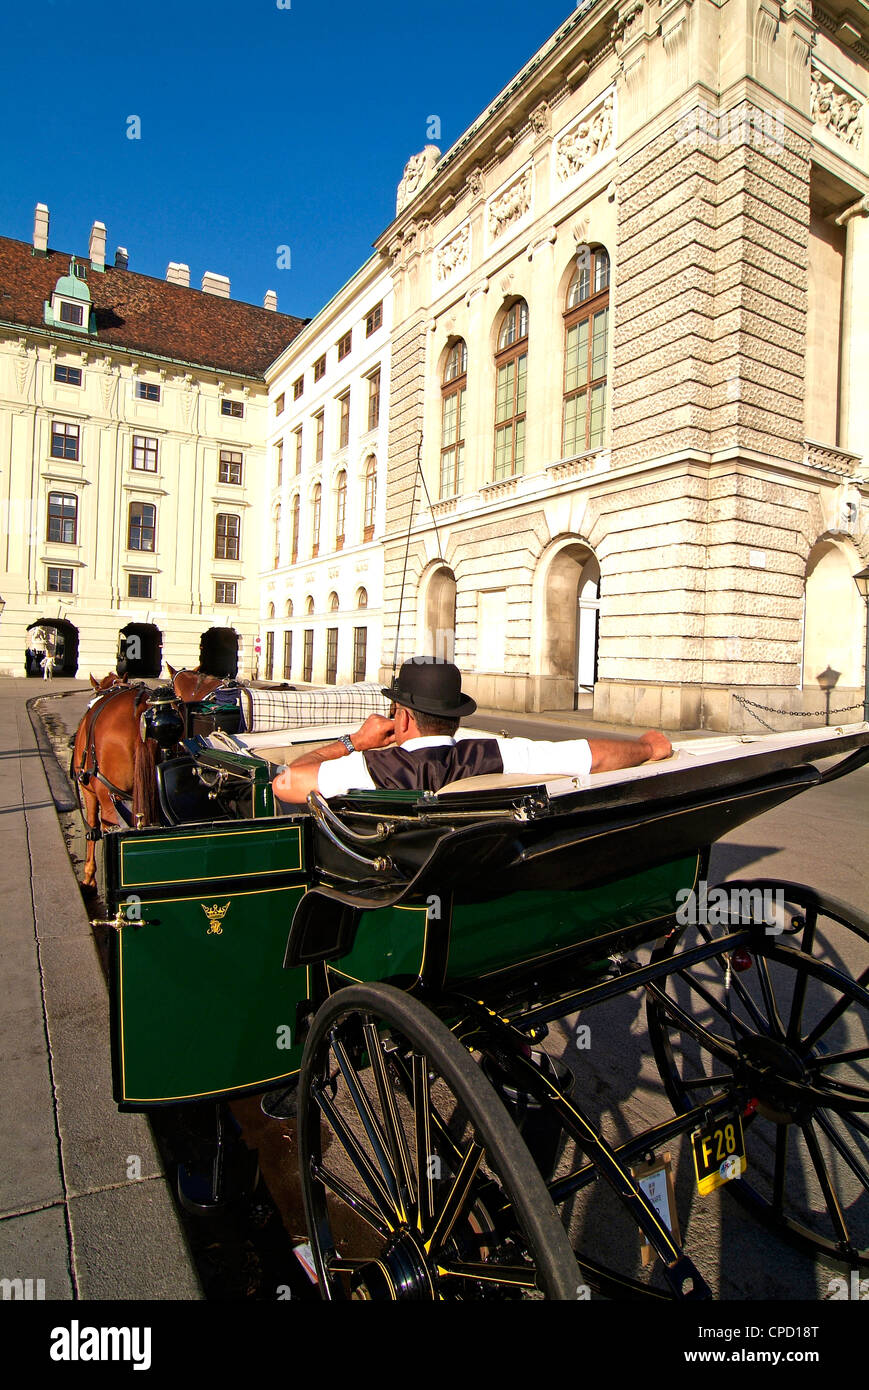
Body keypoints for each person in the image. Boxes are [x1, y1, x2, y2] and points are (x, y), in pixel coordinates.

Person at [271, 658, 672, 805]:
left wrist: (354, 742)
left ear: (404, 719)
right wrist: (645, 746)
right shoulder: (499, 753)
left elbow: (284, 783)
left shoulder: (367, 767)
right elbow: (594, 754)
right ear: (456, 718)